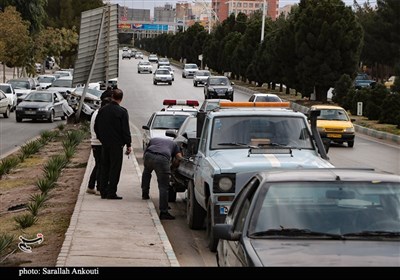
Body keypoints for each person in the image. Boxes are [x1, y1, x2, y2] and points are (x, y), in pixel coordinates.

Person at [94, 89, 132, 199]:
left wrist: (101, 139)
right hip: (117, 145)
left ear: (112, 97)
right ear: (121, 98)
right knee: (115, 168)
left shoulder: (102, 110)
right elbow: (125, 130)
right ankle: (111, 192)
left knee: (104, 167)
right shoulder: (122, 112)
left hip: (105, 144)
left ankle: (103, 191)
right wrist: (128, 144)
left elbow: (97, 127)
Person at [141, 137, 183, 220]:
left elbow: (146, 150)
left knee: (146, 172)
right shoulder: (175, 145)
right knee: (163, 186)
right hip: (162, 159)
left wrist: (145, 159)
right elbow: (179, 157)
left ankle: (145, 194)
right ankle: (164, 212)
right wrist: (172, 168)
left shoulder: (154, 139)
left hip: (149, 155)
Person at [86, 97, 111, 195]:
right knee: (101, 165)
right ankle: (99, 187)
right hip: (98, 143)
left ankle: (91, 185)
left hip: (96, 142)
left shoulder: (96, 113)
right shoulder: (99, 114)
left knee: (99, 164)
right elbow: (99, 129)